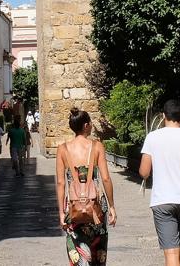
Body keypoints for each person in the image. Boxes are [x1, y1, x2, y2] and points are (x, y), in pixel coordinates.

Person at [55, 108, 116, 266]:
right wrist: (112, 207)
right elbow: (106, 178)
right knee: (97, 256)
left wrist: (61, 213)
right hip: (96, 209)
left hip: (74, 209)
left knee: (79, 257)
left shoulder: (62, 149)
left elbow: (61, 183)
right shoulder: (97, 147)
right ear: (86, 125)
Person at [140, 100, 180, 266]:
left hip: (162, 200)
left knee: (171, 252)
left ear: (163, 116)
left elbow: (144, 172)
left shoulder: (152, 137)